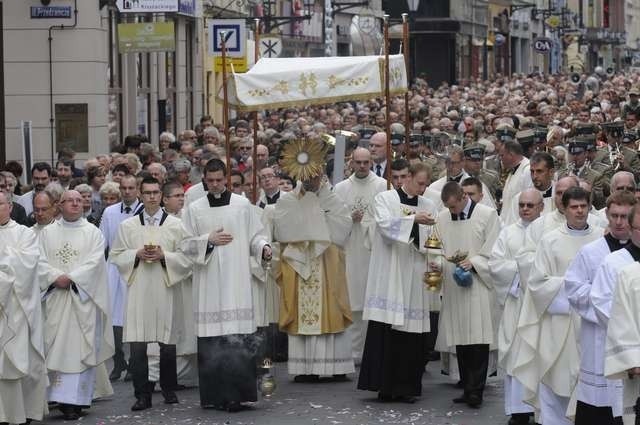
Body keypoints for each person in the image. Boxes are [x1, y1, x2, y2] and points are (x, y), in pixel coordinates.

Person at [181, 159, 271, 412]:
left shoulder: (242, 205)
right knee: (213, 340)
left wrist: (263, 248)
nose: (215, 184)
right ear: (204, 181)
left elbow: (256, 236)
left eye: (219, 180)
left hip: (236, 282)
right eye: (210, 181)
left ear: (226, 178)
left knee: (238, 339)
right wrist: (207, 240)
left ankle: (238, 395)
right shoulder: (195, 208)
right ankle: (214, 396)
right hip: (208, 283)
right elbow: (185, 244)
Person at [514, 187, 603, 425]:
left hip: (589, 324)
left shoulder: (600, 239)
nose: (580, 211)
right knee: (554, 382)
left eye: (584, 206)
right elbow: (537, 284)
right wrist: (575, 288)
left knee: (587, 386)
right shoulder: (550, 240)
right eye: (574, 207)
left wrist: (586, 293)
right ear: (564, 209)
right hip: (558, 325)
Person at [272, 142, 355, 383]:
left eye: (316, 175)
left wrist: (317, 221)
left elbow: (342, 228)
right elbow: (283, 230)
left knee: (331, 309)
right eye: (307, 176)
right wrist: (310, 227)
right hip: (299, 265)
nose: (312, 180)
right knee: (302, 312)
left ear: (322, 174)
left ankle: (334, 367)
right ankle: (305, 367)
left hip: (327, 264)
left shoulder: (332, 200)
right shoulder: (288, 201)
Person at [110, 177, 192, 411]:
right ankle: (142, 394)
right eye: (147, 193)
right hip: (139, 290)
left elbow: (187, 258)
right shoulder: (128, 226)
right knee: (138, 345)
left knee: (167, 343)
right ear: (140, 194)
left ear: (161, 195)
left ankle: (168, 388)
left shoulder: (175, 225)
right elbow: (116, 255)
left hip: (166, 287)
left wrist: (165, 256)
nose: (152, 197)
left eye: (156, 192)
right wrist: (135, 254)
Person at [358, 162, 436, 402]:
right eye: (420, 183)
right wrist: (413, 220)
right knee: (387, 331)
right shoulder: (386, 199)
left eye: (425, 185)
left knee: (411, 335)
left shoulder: (428, 205)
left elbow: (433, 238)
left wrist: (434, 259)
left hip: (413, 272)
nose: (423, 189)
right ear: (408, 177)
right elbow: (384, 228)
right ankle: (385, 386)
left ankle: (406, 388)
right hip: (391, 273)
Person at [38, 190, 113, 420]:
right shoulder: (47, 233)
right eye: (70, 200)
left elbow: (95, 263)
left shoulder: (92, 233)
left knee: (81, 347)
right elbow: (38, 260)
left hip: (82, 299)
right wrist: (54, 277)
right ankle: (60, 399)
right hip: (55, 299)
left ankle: (79, 400)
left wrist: (71, 278)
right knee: (56, 346)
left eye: (79, 200)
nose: (75, 203)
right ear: (59, 205)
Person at [564, 190, 636, 424]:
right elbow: (574, 289)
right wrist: (607, 300)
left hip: (632, 340)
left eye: (624, 217)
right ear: (606, 214)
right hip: (599, 337)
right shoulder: (591, 252)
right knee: (599, 406)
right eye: (614, 215)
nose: (618, 222)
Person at [434, 181, 501, 408]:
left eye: (453, 207)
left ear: (463, 196)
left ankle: (476, 390)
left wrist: (473, 263)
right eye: (448, 208)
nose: (450, 212)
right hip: (454, 285)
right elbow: (437, 248)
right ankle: (466, 385)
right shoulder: (443, 217)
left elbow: (494, 249)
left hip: (478, 285)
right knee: (460, 338)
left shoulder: (487, 215)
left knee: (478, 339)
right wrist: (437, 264)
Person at [489, 189, 544, 425]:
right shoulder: (508, 232)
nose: (525, 209)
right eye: (521, 205)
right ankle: (518, 410)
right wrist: (522, 271)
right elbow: (496, 265)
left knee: (538, 354)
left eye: (530, 205)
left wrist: (527, 270)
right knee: (515, 354)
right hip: (515, 303)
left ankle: (540, 408)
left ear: (541, 207)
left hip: (540, 306)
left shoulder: (547, 232)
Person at [334, 147, 387, 365]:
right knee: (352, 301)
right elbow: (334, 220)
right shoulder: (341, 188)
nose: (363, 166)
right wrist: (349, 218)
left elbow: (386, 220)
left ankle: (371, 351)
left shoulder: (383, 186)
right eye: (358, 162)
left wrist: (367, 222)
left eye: (366, 162)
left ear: (371, 162)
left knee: (371, 303)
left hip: (373, 251)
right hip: (351, 251)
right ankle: (352, 352)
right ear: (351, 163)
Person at [0, 192, 47, 425]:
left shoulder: (25, 234)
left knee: (18, 360)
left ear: (10, 206)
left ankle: (22, 412)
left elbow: (27, 267)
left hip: (18, 309)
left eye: (0, 204)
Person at [99, 174, 144, 381]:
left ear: (137, 190)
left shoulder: (144, 212)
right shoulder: (109, 212)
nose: (127, 192)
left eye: (131, 188)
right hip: (115, 269)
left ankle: (136, 362)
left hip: (137, 268)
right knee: (114, 318)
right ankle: (118, 361)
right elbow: (102, 243)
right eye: (124, 188)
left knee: (135, 317)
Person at [499, 141, 533, 225]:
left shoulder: (528, 170)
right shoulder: (512, 170)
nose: (500, 159)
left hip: (519, 224)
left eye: (502, 155)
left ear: (511, 155)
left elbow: (528, 200)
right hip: (507, 223)